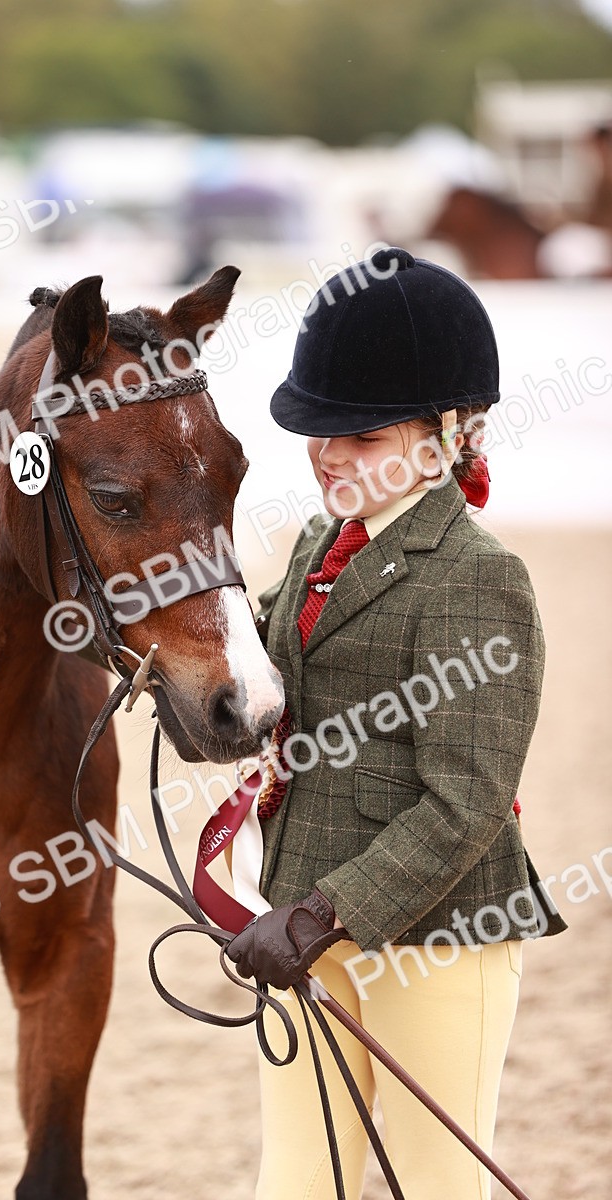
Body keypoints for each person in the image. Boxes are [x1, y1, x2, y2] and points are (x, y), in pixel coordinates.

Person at [225, 246, 567, 1200]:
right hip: (302, 921)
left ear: (446, 435)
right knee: (294, 1183)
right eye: (320, 431)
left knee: (436, 1184)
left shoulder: (477, 578)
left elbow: (468, 801)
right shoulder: (316, 543)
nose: (329, 454)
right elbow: (258, 679)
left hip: (438, 937)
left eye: (362, 436)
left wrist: (324, 913)